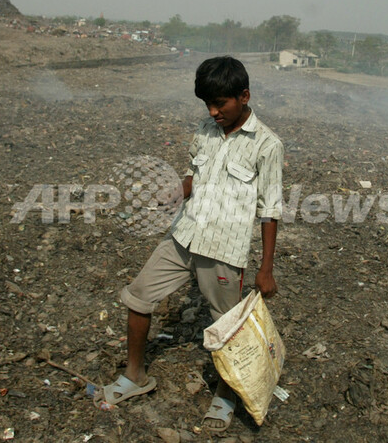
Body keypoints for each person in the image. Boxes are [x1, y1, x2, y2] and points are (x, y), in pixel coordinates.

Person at [96, 56, 284, 433]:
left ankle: (226, 394)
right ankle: (135, 376)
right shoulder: (205, 130)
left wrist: (265, 268)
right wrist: (171, 194)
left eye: (221, 104)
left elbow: (270, 209)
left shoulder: (267, 145)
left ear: (244, 96)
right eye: (208, 105)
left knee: (227, 326)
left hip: (224, 249)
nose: (213, 112)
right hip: (183, 235)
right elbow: (194, 177)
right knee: (137, 298)